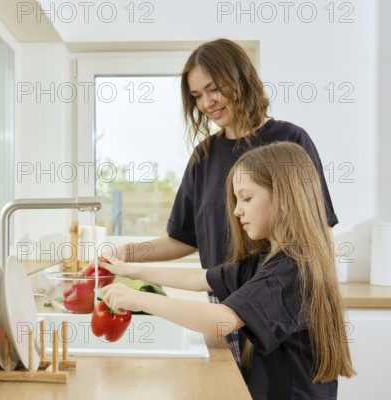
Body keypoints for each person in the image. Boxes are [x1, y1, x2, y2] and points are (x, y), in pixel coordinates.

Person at [96, 38, 338, 364]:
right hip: (223, 313)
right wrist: (126, 255)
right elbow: (182, 239)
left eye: (214, 89)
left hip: (282, 316)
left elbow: (318, 234)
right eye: (197, 96)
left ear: (240, 79)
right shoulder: (204, 155)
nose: (207, 103)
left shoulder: (290, 141)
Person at [99, 142, 355, 399]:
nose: (236, 210)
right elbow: (201, 278)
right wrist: (129, 270)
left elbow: (223, 320)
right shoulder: (267, 260)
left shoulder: (291, 268)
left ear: (283, 198)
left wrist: (137, 299)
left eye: (246, 198)